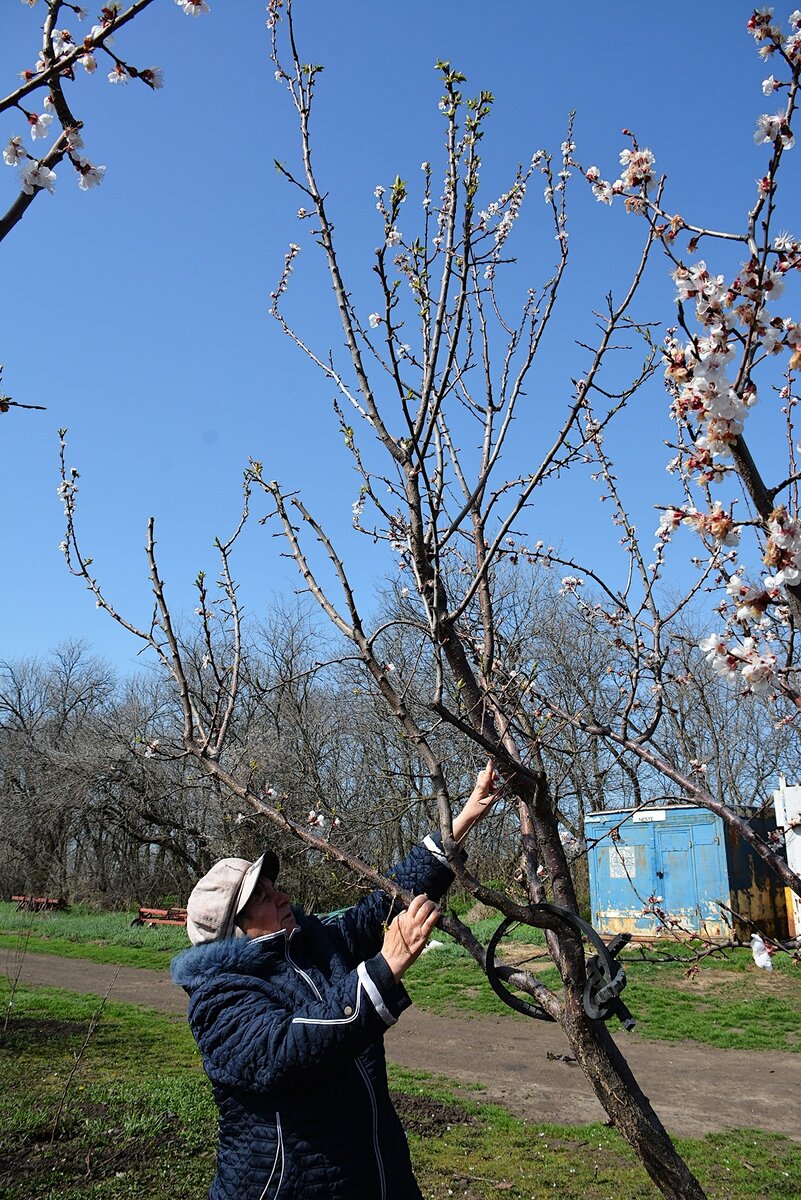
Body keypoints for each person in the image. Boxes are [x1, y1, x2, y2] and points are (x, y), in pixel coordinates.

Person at [171, 761, 500, 1200]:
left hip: (377, 1176)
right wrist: (384, 968)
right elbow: (284, 1049)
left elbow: (382, 904)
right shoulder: (218, 998)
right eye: (263, 898)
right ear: (235, 927)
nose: (282, 895)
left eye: (274, 886)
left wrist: (460, 822)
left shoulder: (315, 944)